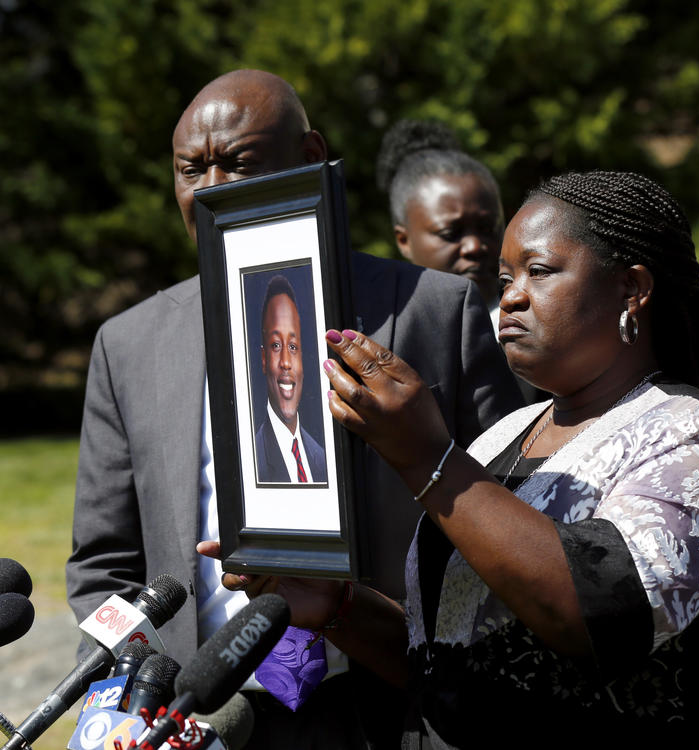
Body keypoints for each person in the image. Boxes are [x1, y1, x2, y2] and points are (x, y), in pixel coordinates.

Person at [220, 171, 699, 747]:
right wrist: (339, 609)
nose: (509, 295)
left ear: (632, 289)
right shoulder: (501, 438)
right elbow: (446, 663)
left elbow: (598, 616)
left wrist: (428, 458)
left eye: (539, 271)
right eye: (505, 278)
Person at [66, 69, 523, 749]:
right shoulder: (129, 345)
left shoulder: (433, 310)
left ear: (311, 159)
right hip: (204, 716)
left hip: (397, 708)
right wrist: (120, 700)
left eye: (239, 162)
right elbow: (105, 565)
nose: (213, 187)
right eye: (192, 169)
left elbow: (508, 519)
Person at [375, 119, 504, 324]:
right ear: (404, 241)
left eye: (488, 228)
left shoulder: (542, 336)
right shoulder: (381, 329)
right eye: (450, 233)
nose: (475, 247)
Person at [253, 274, 327, 484]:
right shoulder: (252, 460)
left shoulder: (322, 458)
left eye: (293, 347)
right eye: (276, 345)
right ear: (264, 359)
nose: (286, 362)